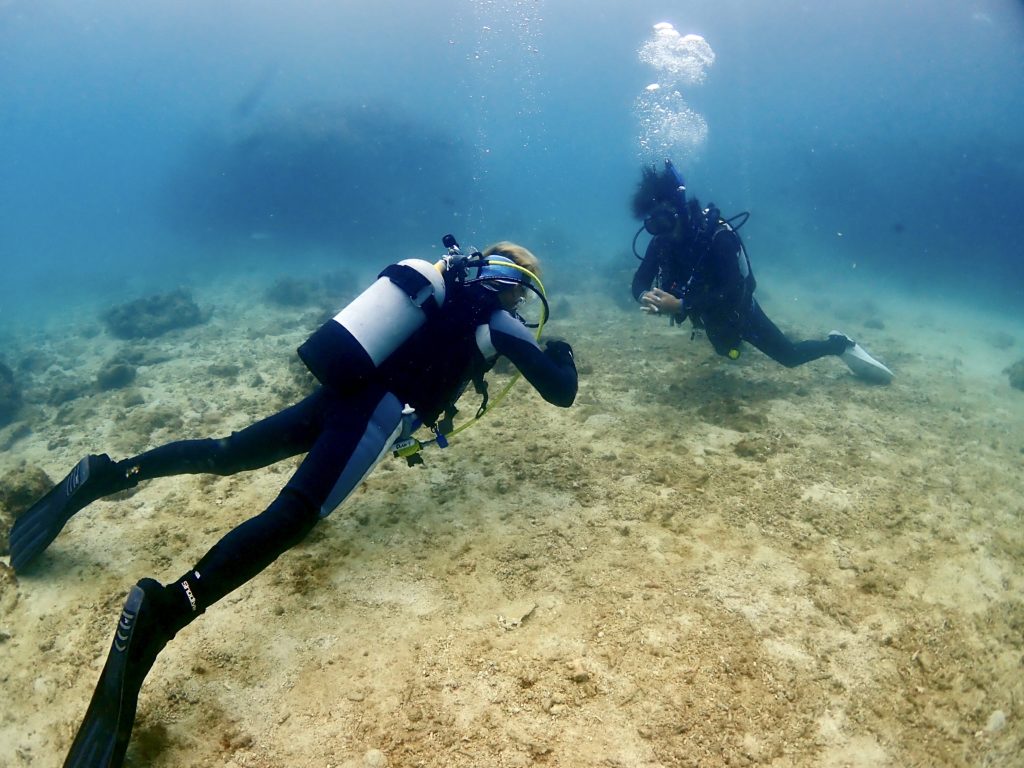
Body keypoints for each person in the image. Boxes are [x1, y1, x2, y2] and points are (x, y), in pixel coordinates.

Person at [9, 238, 578, 768]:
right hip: (374, 415)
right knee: (293, 516)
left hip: (338, 393)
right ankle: (169, 608)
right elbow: (561, 392)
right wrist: (564, 353)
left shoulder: (439, 289)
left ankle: (111, 473)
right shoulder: (498, 321)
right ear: (514, 285)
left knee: (225, 452)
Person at [630, 160, 893, 383]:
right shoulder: (662, 243)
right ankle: (731, 343)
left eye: (664, 221)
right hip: (705, 314)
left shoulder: (717, 238)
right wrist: (644, 296)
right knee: (727, 352)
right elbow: (639, 280)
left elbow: (733, 289)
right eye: (653, 225)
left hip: (738, 310)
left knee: (789, 356)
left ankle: (839, 344)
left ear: (680, 210)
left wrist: (681, 304)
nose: (661, 232)